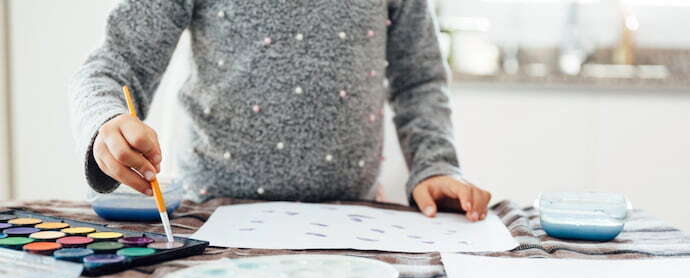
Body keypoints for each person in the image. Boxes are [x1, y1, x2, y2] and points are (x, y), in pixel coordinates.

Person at [70, 0, 491, 221]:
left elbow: (419, 80)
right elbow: (115, 65)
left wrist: (435, 165)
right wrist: (107, 122)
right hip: (211, 216)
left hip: (353, 220)